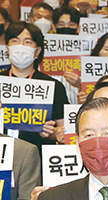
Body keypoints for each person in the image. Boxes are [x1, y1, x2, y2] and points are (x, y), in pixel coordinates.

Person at [1, 22, 68, 151]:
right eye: (15, 41)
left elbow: (64, 131)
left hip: (37, 157)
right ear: (8, 48)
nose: (21, 47)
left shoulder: (54, 87)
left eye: (28, 42)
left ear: (37, 51)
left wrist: (52, 133)